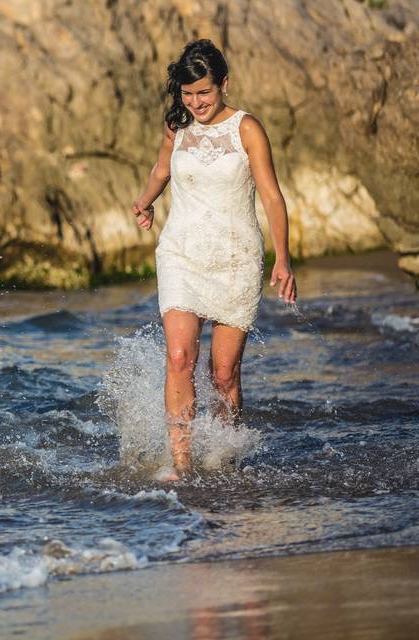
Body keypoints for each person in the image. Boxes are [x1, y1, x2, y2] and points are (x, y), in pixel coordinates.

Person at [131, 39, 297, 480]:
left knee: (223, 374)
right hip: (182, 253)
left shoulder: (247, 129)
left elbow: (272, 196)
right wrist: (145, 202)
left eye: (203, 92)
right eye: (187, 94)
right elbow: (161, 170)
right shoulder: (176, 125)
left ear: (224, 84)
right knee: (180, 356)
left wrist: (283, 260)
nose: (196, 102)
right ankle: (182, 466)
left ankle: (224, 458)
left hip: (235, 258)